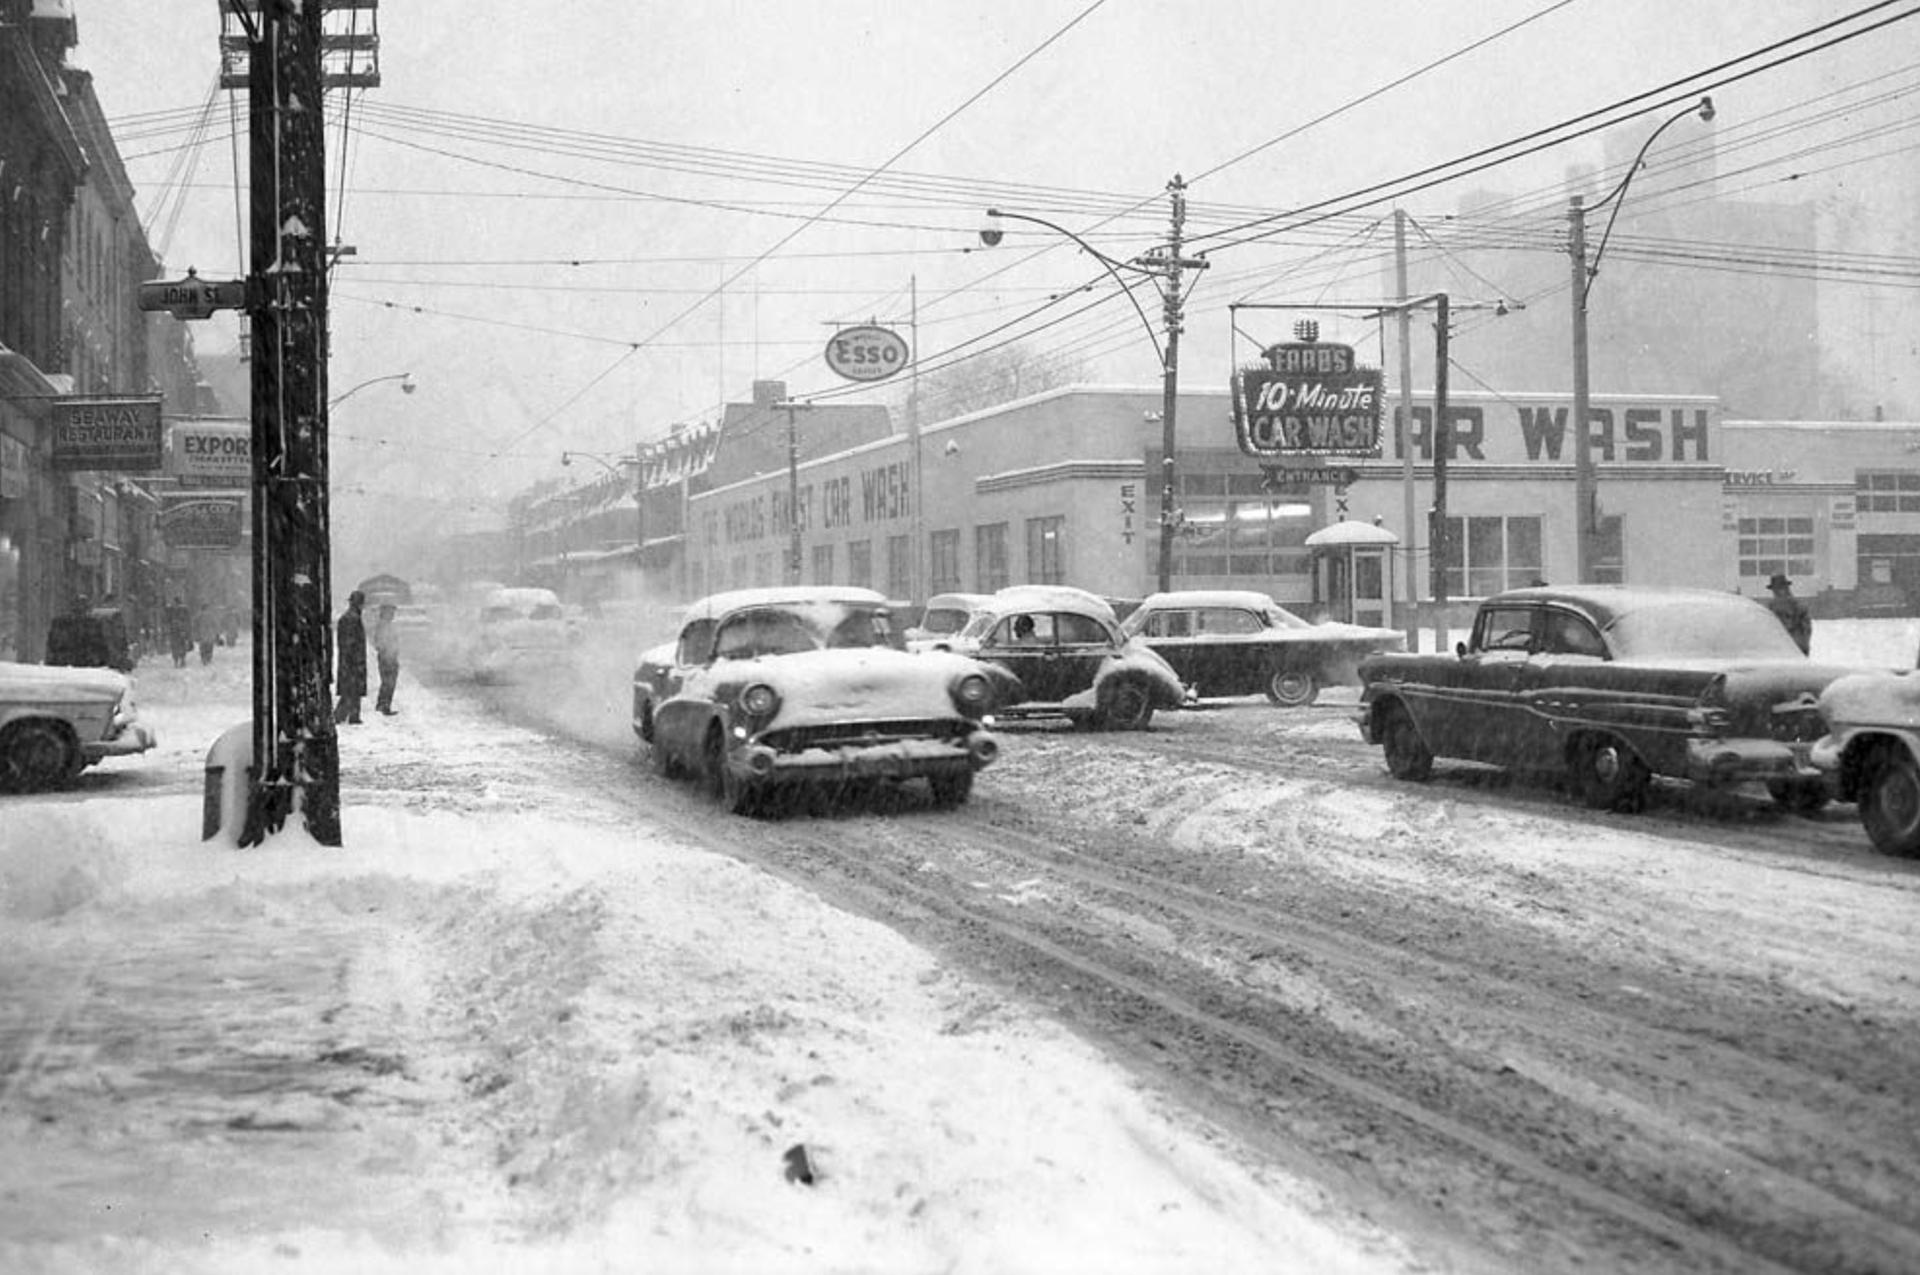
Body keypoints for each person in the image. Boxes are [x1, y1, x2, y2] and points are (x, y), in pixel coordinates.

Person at [334, 590, 368, 724]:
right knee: (351, 690)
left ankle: (352, 716)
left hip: (350, 661)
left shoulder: (351, 617)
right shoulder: (351, 619)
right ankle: (340, 716)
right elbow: (350, 643)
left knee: (352, 691)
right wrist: (355, 661)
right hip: (352, 661)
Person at [1765, 573, 1812, 655]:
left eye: (1780, 588)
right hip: (1778, 652)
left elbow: (1806, 631)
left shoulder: (1799, 607)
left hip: (1794, 651)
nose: (1777, 592)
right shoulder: (1770, 608)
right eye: (1775, 589)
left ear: (1786, 588)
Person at [371, 601, 401, 715]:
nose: (393, 614)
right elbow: (380, 643)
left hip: (390, 656)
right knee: (388, 682)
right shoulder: (383, 626)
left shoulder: (387, 625)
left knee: (388, 682)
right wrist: (387, 653)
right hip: (387, 657)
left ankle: (383, 704)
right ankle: (384, 705)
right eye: (391, 612)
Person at [164, 595, 192, 668]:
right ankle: (182, 659)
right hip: (182, 630)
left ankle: (176, 660)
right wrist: (187, 631)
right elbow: (188, 620)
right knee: (182, 645)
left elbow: (167, 620)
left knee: (175, 646)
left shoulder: (171, 609)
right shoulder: (185, 609)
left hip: (173, 631)